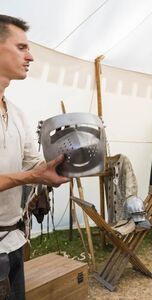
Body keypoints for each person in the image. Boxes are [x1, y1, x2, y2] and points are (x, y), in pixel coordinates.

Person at [0, 14, 69, 300]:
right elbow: (31, 173)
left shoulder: (16, 113)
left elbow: (33, 165)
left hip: (13, 240)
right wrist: (33, 176)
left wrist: (65, 162)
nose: (30, 57)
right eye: (21, 47)